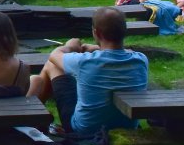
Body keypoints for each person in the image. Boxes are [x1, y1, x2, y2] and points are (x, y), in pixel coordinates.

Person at [27, 7, 149, 135]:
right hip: (127, 126)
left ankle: (31, 118)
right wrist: (96, 48)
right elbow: (119, 52)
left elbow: (54, 55)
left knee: (52, 65)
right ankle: (34, 118)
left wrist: (70, 46)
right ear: (124, 31)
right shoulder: (141, 59)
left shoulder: (85, 62)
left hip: (84, 130)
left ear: (96, 33)